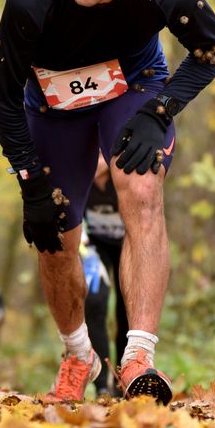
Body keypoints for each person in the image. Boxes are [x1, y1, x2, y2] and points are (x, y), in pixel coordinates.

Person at [0, 0, 215, 404]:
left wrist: (158, 112)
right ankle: (79, 356)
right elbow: (3, 95)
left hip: (133, 87)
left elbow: (211, 50)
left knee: (140, 190)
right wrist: (29, 182)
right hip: (51, 103)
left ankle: (139, 356)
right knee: (56, 234)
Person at [83, 154, 128, 397]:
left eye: (101, 154)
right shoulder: (80, 180)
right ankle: (101, 383)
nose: (96, 160)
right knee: (95, 302)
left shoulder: (122, 177)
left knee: (126, 311)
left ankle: (124, 378)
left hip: (126, 245)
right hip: (94, 247)